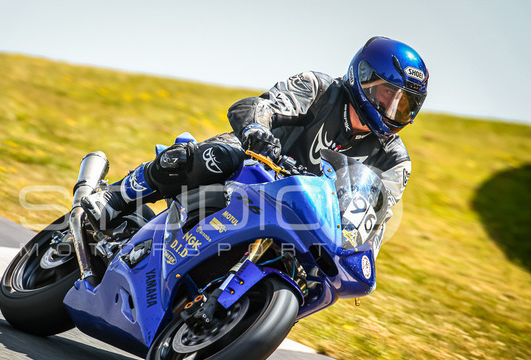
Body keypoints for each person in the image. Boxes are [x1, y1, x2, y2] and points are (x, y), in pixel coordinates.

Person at [81, 36, 428, 249]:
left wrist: (362, 244)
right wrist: (257, 131)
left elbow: (377, 212)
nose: (393, 109)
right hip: (254, 168)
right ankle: (116, 197)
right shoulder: (319, 89)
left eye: (405, 104)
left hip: (303, 216)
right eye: (388, 94)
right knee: (216, 156)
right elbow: (259, 107)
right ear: (363, 77)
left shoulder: (394, 160)